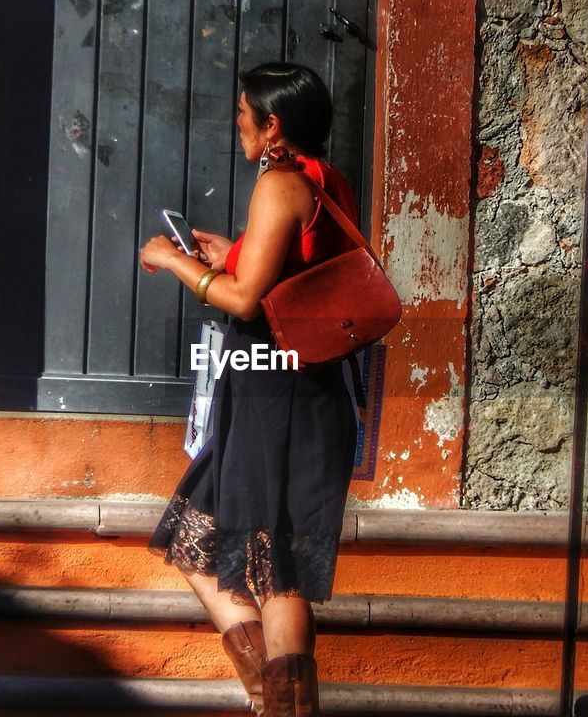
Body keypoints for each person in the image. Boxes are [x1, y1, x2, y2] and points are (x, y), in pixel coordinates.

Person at [138, 62, 360, 717]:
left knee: (279, 571)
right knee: (198, 538)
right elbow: (291, 273)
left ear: (273, 126)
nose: (236, 122)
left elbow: (243, 302)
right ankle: (275, 702)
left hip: (279, 399)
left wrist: (173, 260)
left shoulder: (279, 184)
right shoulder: (327, 181)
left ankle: (285, 709)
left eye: (244, 113)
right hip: (298, 394)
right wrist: (232, 250)